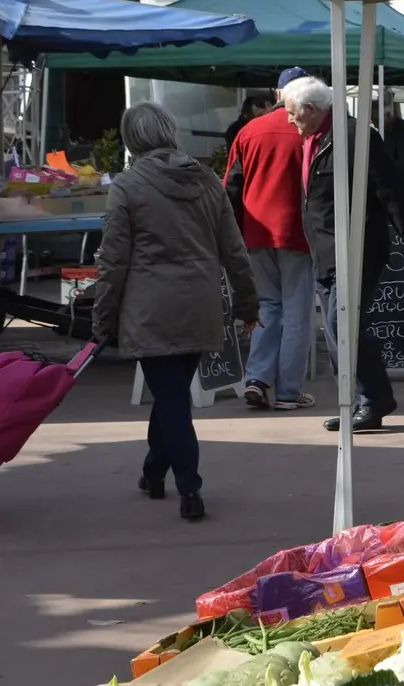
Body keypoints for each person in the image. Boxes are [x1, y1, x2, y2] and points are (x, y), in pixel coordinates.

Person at [94, 103, 258, 521]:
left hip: (150, 308)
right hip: (200, 304)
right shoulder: (206, 181)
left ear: (132, 139)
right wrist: (246, 303)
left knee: (171, 399)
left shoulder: (127, 187)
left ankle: (190, 487)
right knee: (171, 394)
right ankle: (153, 472)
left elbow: (113, 261)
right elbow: (234, 251)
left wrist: (102, 319)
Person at [283, 76, 404, 431]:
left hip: (355, 248)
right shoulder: (316, 138)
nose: (290, 121)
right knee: (337, 328)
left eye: (293, 114)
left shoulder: (353, 136)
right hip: (324, 250)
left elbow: (391, 188)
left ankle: (374, 399)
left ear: (311, 109)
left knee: (342, 322)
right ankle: (358, 400)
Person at [224, 72, 317, 412]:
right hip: (298, 234)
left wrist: (231, 234)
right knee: (295, 314)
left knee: (266, 307)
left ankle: (257, 379)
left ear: (278, 92)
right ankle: (289, 392)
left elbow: (231, 187)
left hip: (256, 231)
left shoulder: (250, 130)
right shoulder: (311, 130)